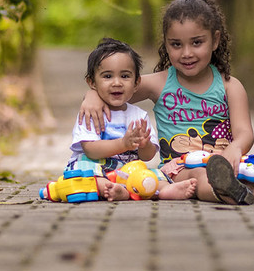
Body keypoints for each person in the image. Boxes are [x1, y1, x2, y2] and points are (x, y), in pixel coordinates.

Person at [78, 0, 254, 206]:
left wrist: (235, 148)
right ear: (166, 45)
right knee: (202, 177)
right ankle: (227, 189)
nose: (186, 53)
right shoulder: (159, 83)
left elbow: (245, 132)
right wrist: (92, 96)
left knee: (251, 175)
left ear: (214, 40)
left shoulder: (230, 86)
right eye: (176, 44)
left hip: (227, 161)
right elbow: (117, 90)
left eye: (197, 42)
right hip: (180, 170)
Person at [67, 37, 198, 201]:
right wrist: (123, 144)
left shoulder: (139, 115)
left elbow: (147, 156)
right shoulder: (91, 113)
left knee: (153, 174)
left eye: (125, 76)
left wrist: (145, 145)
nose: (117, 83)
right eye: (107, 76)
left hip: (128, 170)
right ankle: (116, 190)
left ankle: (166, 191)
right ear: (92, 82)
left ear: (136, 83)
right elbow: (90, 149)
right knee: (84, 171)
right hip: (97, 165)